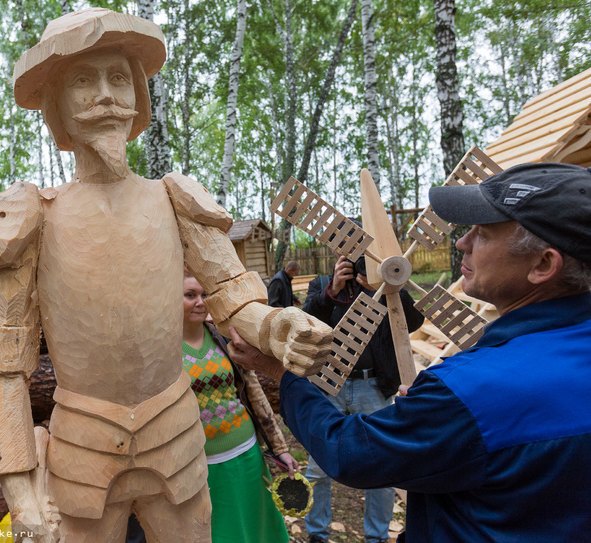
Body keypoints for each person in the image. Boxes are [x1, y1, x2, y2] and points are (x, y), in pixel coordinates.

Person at [0, 8, 333, 543]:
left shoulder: (173, 197)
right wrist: (20, 492)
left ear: (139, 95)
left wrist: (275, 326)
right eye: (83, 81)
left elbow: (231, 292)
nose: (105, 95)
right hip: (80, 452)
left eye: (119, 78)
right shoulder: (31, 215)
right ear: (56, 105)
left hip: (178, 437)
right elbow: (2, 360)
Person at [227, 162, 591, 542]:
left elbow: (349, 452)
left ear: (544, 264)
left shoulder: (469, 391)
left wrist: (283, 374)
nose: (462, 242)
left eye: (482, 233)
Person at [301, 257, 423, 543]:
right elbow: (305, 325)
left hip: (373, 386)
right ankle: (317, 533)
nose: (355, 263)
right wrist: (330, 291)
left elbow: (414, 322)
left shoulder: (383, 285)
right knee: (317, 467)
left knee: (380, 466)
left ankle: (376, 537)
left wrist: (392, 288)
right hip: (329, 385)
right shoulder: (321, 285)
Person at [183, 271, 298, 543]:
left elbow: (255, 394)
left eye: (204, 295)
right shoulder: (164, 352)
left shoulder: (222, 338)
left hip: (247, 453)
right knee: (223, 533)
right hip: (203, 467)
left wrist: (279, 448)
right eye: (190, 296)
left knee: (259, 527)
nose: (200, 302)